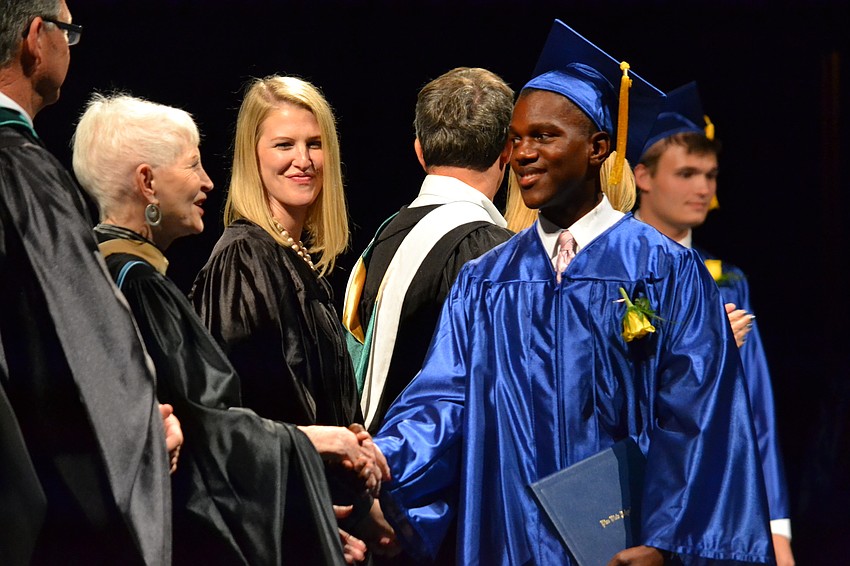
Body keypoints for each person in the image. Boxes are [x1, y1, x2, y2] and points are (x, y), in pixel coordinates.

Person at [372, 20, 774, 565]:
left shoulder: (666, 269)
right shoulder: (487, 281)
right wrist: (377, 465)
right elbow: (442, 401)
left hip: (626, 545)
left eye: (544, 136)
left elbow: (700, 418)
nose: (522, 154)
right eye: (515, 140)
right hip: (511, 534)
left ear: (598, 148)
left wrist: (664, 541)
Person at [71, 91, 392, 565]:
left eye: (315, 143)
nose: (206, 182)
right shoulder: (144, 281)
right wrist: (311, 483)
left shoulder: (114, 272)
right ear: (147, 182)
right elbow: (213, 433)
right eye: (193, 165)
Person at [0, 2, 179, 564]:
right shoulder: (24, 173)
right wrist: (143, 433)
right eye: (66, 31)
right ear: (35, 38)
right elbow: (86, 361)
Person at [632, 81, 794, 566]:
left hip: (717, 503)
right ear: (642, 176)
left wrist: (777, 526)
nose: (704, 188)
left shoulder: (725, 281)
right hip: (632, 494)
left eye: (710, 174)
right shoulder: (613, 276)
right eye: (686, 173)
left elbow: (756, 409)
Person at [342, 67, 515, 436]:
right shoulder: (493, 254)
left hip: (378, 461)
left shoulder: (384, 237)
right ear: (509, 151)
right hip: (447, 476)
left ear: (419, 152)